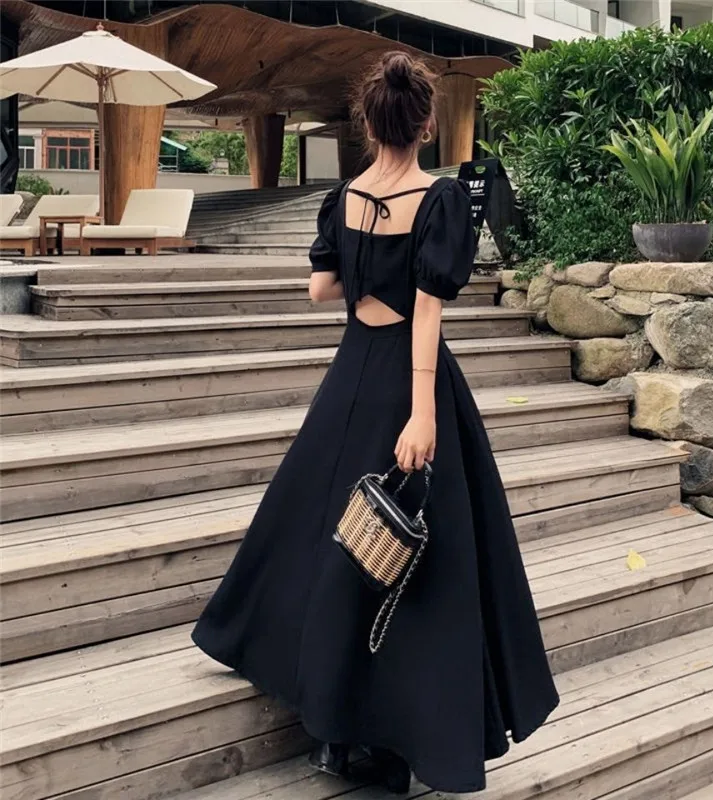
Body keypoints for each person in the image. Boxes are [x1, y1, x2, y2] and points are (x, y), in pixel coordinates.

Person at [192, 50, 559, 794]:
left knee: (327, 537)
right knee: (416, 565)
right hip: (407, 382)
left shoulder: (345, 198)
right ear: (425, 125)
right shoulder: (439, 200)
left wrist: (362, 265)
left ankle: (329, 720)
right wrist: (422, 413)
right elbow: (426, 315)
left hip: (350, 374)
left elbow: (319, 289)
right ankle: (391, 731)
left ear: (368, 123)